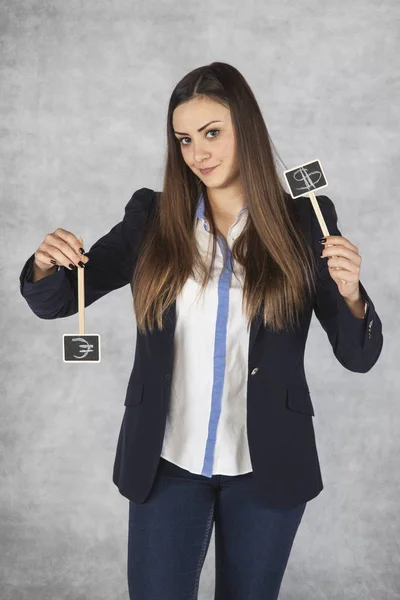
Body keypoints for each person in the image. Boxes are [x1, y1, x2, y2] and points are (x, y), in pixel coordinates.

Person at [19, 62, 383, 600]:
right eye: (185, 139)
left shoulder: (305, 222)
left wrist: (351, 292)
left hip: (267, 466)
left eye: (212, 132)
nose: (198, 153)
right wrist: (46, 264)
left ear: (247, 130)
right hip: (166, 461)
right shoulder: (152, 218)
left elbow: (358, 356)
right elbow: (55, 301)